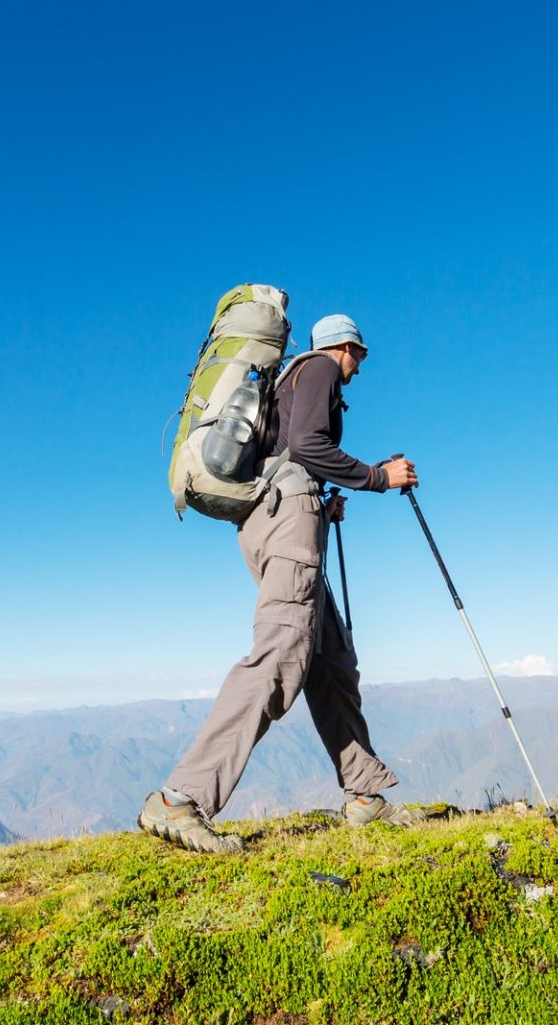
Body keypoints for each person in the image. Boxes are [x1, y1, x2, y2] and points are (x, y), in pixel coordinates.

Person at [140, 313, 422, 852]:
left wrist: (321, 500)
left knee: (330, 659)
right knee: (280, 656)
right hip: (288, 523)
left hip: (279, 519)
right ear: (344, 347)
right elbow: (310, 444)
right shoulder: (317, 369)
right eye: (360, 354)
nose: (360, 366)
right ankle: (180, 799)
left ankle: (363, 792)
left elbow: (293, 454)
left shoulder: (286, 380)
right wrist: (377, 478)